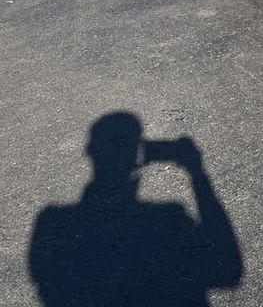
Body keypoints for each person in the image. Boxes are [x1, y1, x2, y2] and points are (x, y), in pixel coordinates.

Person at [28, 112, 243, 306]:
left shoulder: (52, 221)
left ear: (90, 151)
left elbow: (45, 279)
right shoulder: (169, 216)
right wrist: (196, 172)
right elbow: (228, 270)